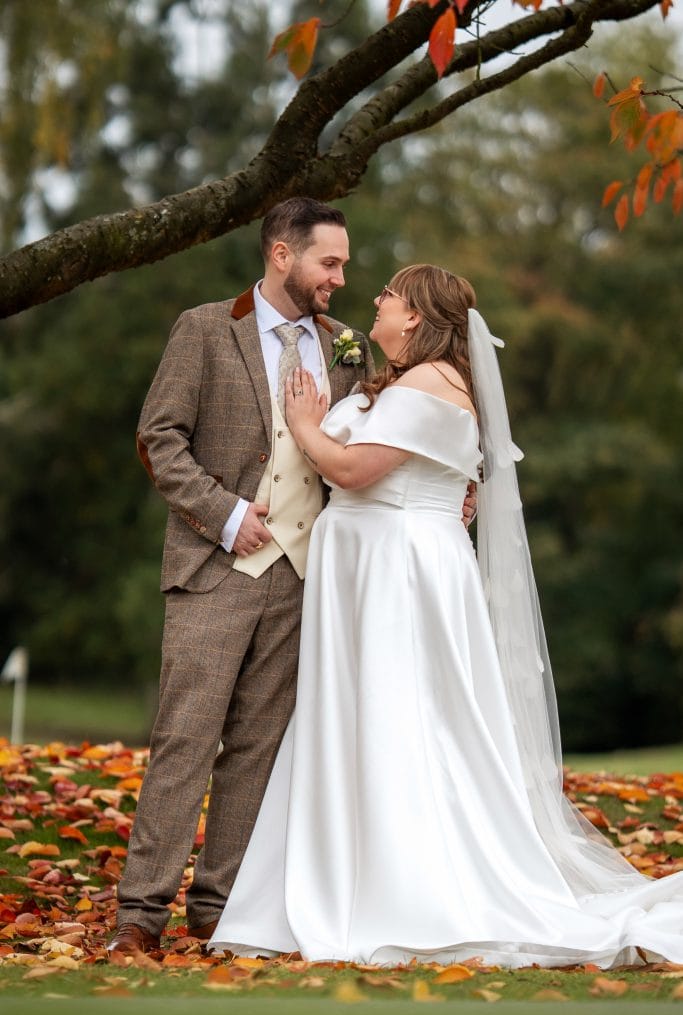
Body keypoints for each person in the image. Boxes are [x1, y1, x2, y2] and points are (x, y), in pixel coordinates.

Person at [209, 264, 683, 968]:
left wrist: (308, 426)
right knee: (369, 717)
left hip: (398, 570)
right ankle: (349, 877)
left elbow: (352, 470)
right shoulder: (407, 379)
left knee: (401, 718)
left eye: (390, 296)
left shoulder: (433, 384)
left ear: (418, 316)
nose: (375, 299)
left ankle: (404, 892)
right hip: (373, 565)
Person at [106, 197, 384, 957]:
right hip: (214, 567)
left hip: (302, 576)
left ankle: (220, 907)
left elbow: (393, 427)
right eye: (329, 263)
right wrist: (225, 516)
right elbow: (159, 439)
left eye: (344, 265)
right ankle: (140, 915)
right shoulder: (203, 329)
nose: (339, 278)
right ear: (280, 255)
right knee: (184, 741)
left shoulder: (349, 348)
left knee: (257, 748)